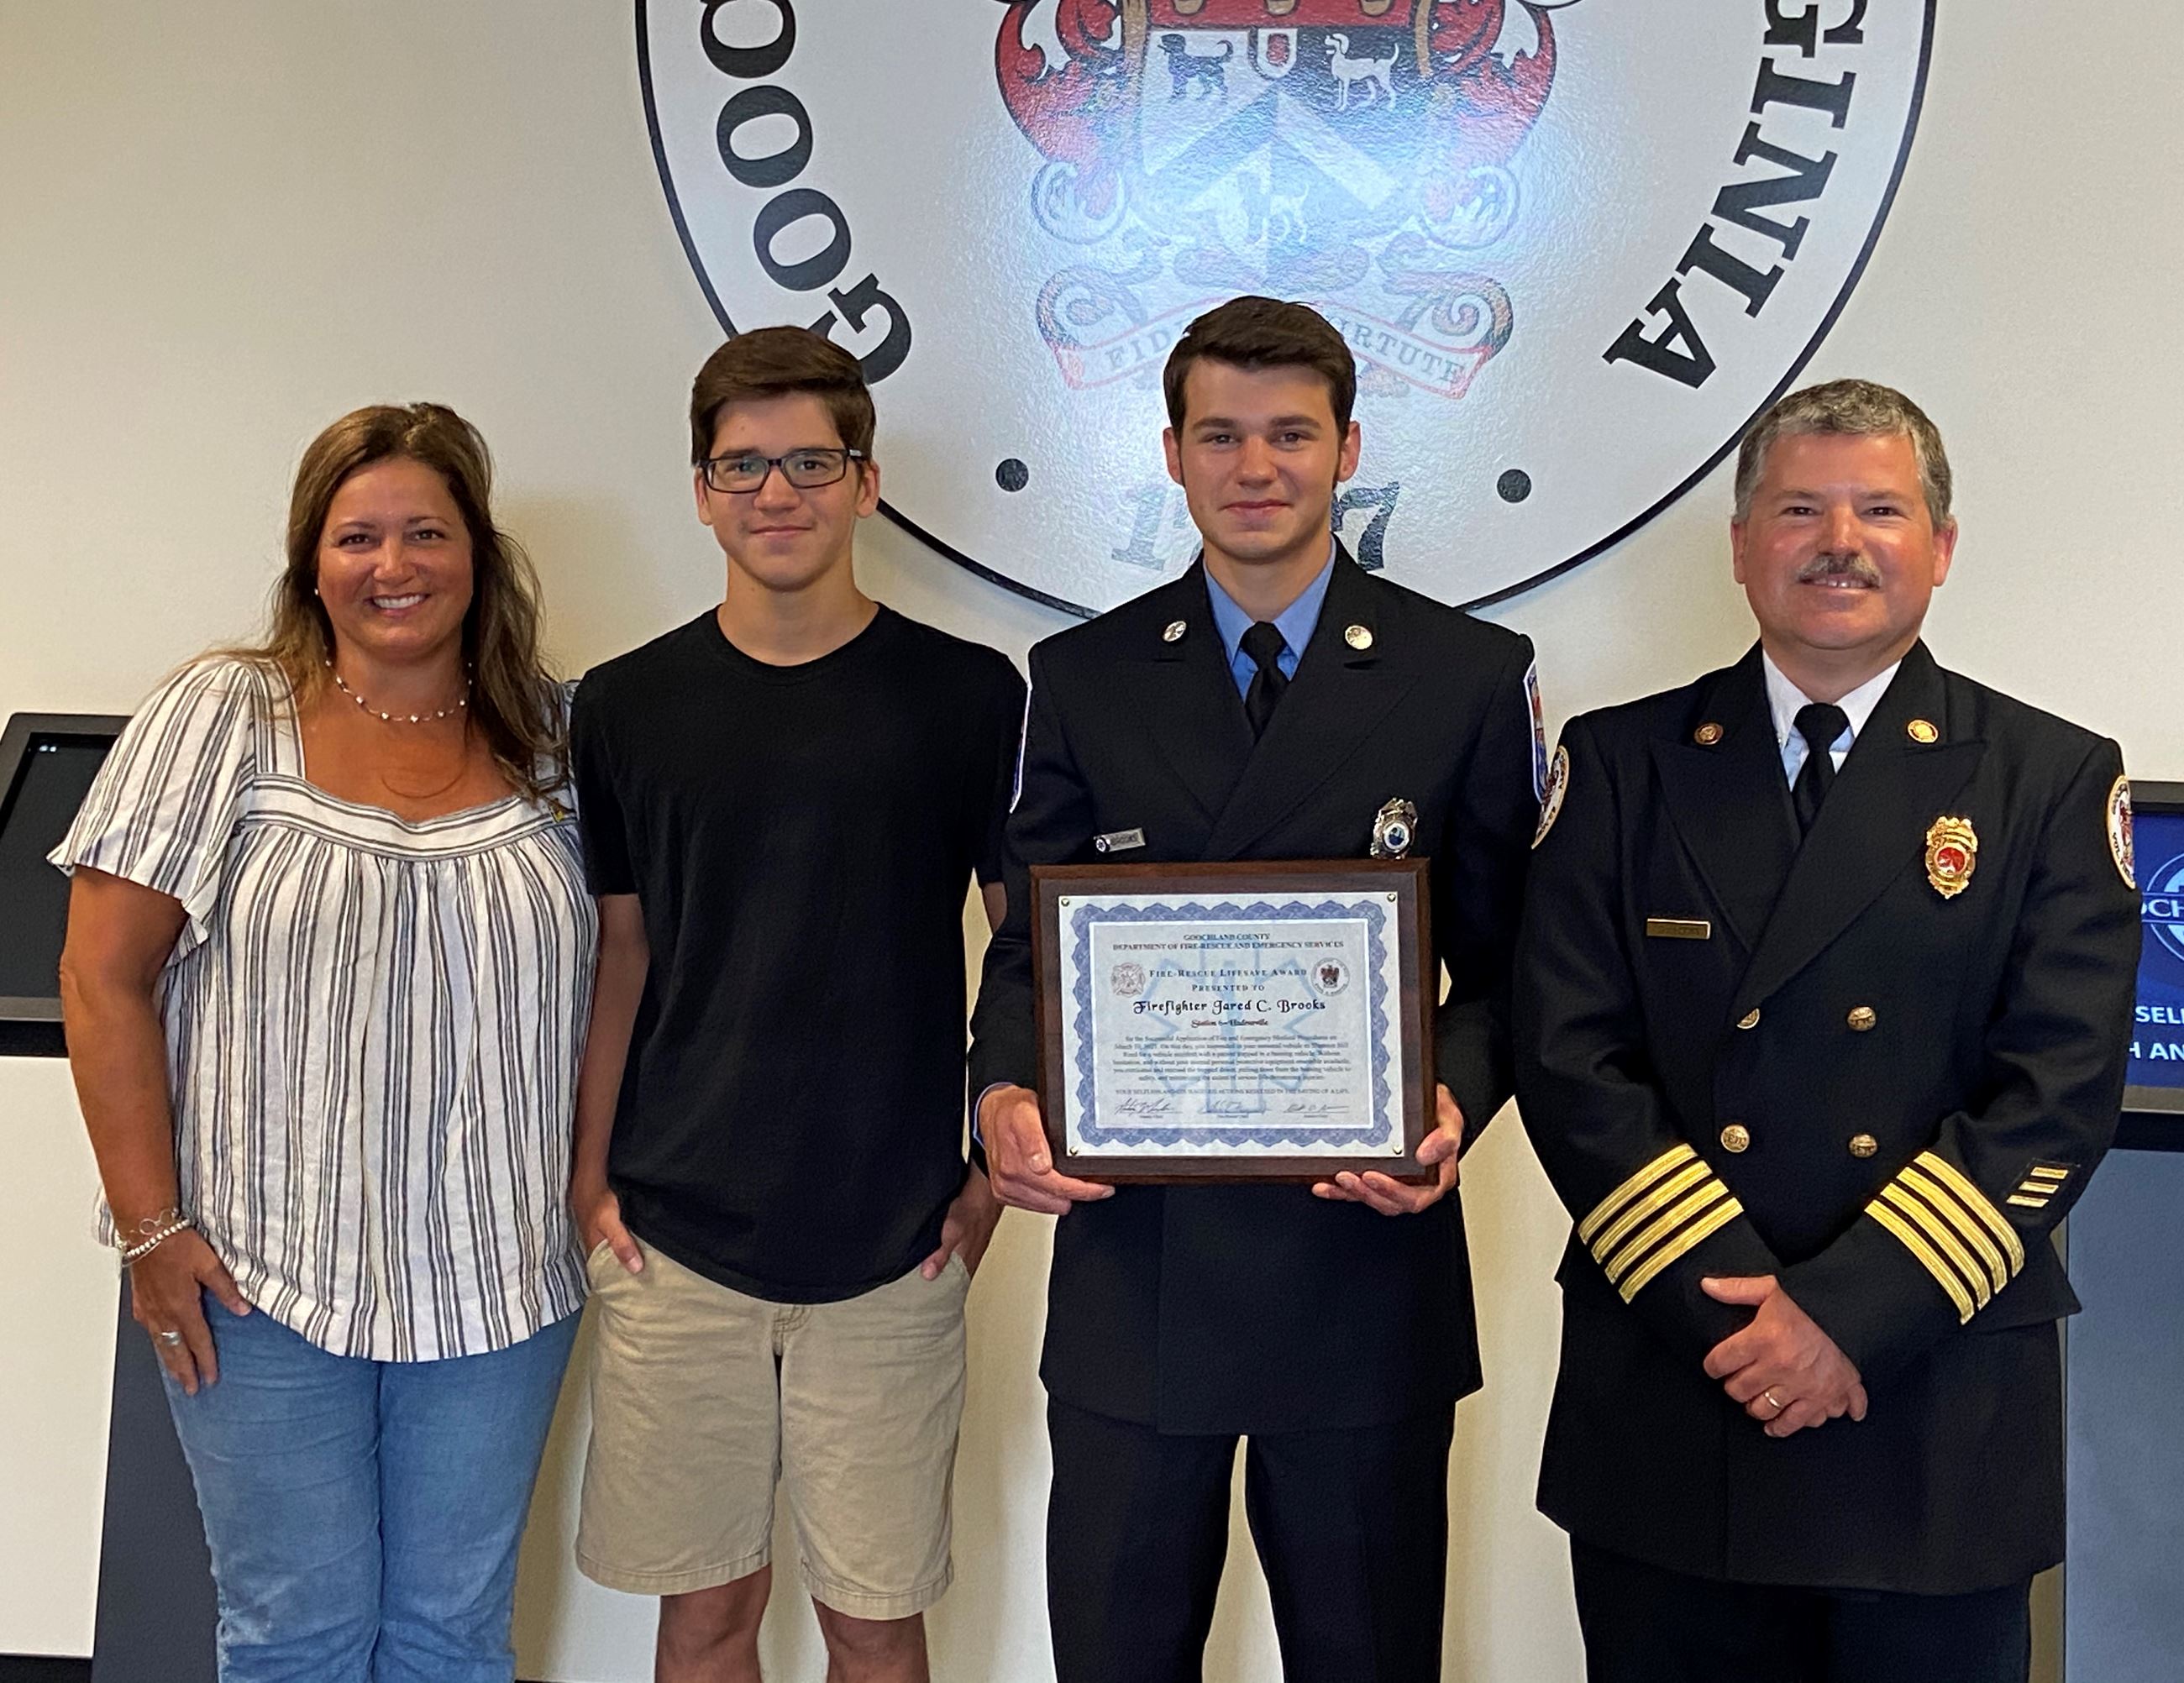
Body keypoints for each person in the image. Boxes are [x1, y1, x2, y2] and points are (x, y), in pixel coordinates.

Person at [1514, 379, 2140, 1682]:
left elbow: (2061, 1087)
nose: (1839, 541)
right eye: (1799, 508)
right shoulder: (1623, 765)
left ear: (1942, 548)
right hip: (1684, 1385)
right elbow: (1569, 1059)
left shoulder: (2048, 777)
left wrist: (1844, 1321)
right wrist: (1748, 1324)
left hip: (1930, 1399)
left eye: (1880, 510)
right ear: (1742, 546)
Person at [971, 296, 1541, 1683]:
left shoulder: (1466, 676)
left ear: (1350, 447)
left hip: (1362, 1266)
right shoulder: (1085, 676)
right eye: (1221, 434)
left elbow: (1512, 965)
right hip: (1136, 1272)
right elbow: (1030, 946)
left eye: (1291, 434)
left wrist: (1451, 1106)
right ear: (1172, 453)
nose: (1256, 466)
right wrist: (1001, 1088)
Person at [53, 403, 594, 1683]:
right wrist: (149, 1231)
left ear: (479, 551)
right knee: (295, 1638)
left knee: (452, 1641)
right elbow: (99, 975)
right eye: (357, 536)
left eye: (425, 532)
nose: (392, 565)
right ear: (311, 561)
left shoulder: (562, 740)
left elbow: (627, 972)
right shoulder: (226, 715)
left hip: (500, 1284)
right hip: (260, 1278)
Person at [566, 326, 1023, 1683]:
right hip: (675, 1233)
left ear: (866, 483)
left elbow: (1026, 958)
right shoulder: (627, 705)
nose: (778, 493)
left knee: (874, 1621)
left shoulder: (967, 696)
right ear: (700, 489)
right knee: (704, 1616)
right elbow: (624, 958)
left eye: (810, 462)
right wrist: (589, 1180)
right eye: (744, 465)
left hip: (894, 1241)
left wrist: (991, 1181)